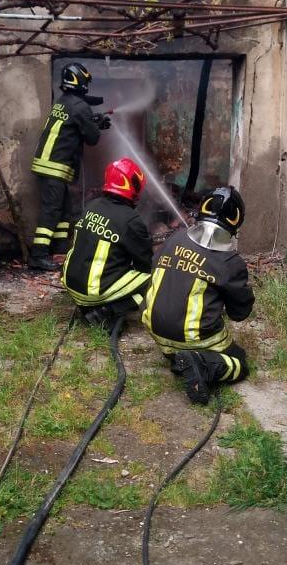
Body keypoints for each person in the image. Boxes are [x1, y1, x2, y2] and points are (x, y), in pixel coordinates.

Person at [142, 186, 254, 405]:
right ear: (235, 223)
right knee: (239, 361)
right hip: (194, 338)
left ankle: (181, 359)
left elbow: (154, 272)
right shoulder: (231, 263)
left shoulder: (175, 239)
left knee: (179, 351)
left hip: (158, 334)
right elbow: (240, 313)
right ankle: (201, 363)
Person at [28, 62, 111, 271]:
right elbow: (92, 138)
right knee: (51, 211)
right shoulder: (79, 106)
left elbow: (74, 125)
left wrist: (92, 122)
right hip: (54, 167)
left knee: (64, 212)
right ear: (79, 81)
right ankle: (38, 256)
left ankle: (60, 251)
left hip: (51, 166)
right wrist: (97, 125)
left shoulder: (63, 102)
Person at [61, 157, 153, 326]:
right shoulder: (131, 220)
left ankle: (92, 306)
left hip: (71, 284)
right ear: (133, 186)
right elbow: (146, 264)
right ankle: (106, 312)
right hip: (92, 291)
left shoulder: (92, 206)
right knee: (152, 277)